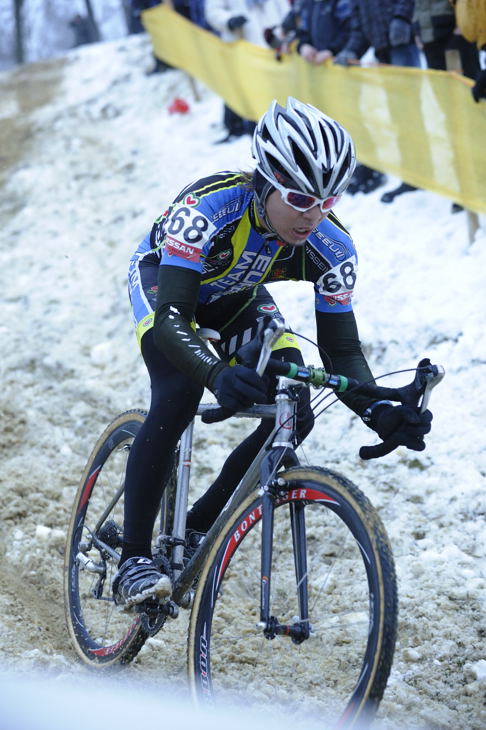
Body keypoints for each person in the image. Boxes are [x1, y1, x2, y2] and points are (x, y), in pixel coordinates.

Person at [114, 97, 433, 606]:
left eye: (329, 200)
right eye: (301, 199)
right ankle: (132, 558)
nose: (314, 216)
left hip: (239, 298)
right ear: (266, 180)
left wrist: (377, 408)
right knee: (178, 389)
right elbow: (176, 319)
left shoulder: (332, 247)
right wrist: (216, 373)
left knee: (295, 406)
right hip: (168, 289)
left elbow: (341, 351)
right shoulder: (209, 207)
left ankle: (199, 526)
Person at [334, 0, 422, 203]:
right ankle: (413, 176)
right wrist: (352, 50)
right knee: (399, 115)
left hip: (403, 46)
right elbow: (359, 28)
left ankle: (422, 174)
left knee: (410, 112)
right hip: (382, 51)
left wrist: (401, 19)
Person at [205, 0, 290, 142]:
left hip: (273, 44)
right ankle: (260, 137)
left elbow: (284, 7)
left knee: (279, 92)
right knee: (253, 95)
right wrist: (228, 21)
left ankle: (286, 130)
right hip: (244, 48)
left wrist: (286, 29)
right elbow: (213, 11)